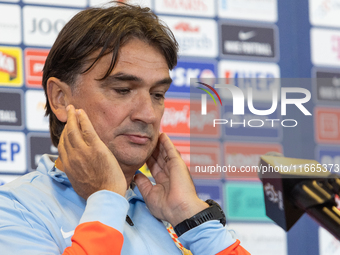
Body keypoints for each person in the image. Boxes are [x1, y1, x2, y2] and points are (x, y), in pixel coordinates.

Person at [0, 2, 250, 255]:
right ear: (60, 99)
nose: (148, 114)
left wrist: (191, 218)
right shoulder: (14, 208)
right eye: (122, 90)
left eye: (157, 94)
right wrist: (107, 200)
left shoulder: (174, 215)